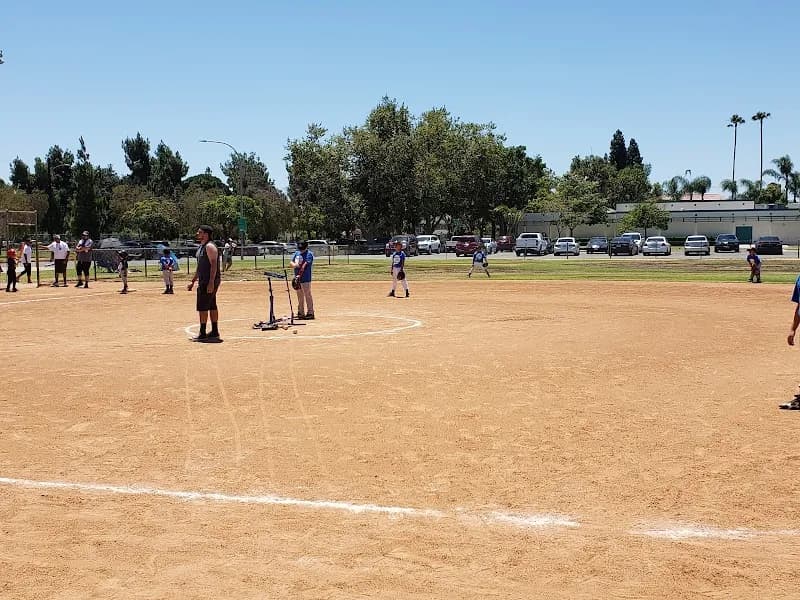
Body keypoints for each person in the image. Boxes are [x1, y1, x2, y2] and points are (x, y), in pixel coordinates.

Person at [187, 225, 221, 342]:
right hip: (204, 280)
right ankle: (214, 332)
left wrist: (211, 281)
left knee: (202, 307)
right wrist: (193, 281)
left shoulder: (210, 246)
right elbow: (200, 266)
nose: (197, 234)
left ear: (206, 234)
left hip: (208, 280)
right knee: (211, 304)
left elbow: (214, 265)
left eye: (200, 232)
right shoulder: (202, 247)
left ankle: (202, 333)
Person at [290, 240, 315, 319]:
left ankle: (310, 313)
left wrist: (299, 275)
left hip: (305, 278)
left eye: (302, 248)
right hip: (298, 278)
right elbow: (291, 262)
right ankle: (301, 312)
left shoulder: (309, 254)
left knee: (307, 295)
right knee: (300, 296)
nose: (301, 250)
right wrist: (294, 265)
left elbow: (305, 265)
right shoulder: (297, 253)